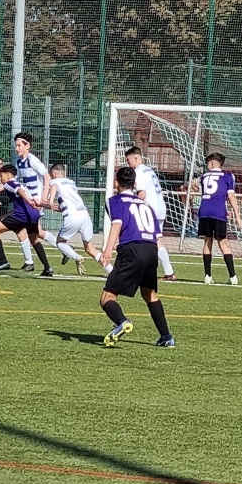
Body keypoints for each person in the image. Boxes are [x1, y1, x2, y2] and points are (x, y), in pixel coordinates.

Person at [99, 166, 175, 348]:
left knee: (107, 297)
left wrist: (108, 250)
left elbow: (117, 224)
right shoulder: (146, 205)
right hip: (151, 249)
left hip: (132, 249)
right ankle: (166, 336)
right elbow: (158, 237)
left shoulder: (114, 201)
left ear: (116, 183)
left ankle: (122, 322)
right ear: (134, 184)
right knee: (149, 293)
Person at [43, 163, 111, 276]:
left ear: (53, 174)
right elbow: (67, 204)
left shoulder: (54, 181)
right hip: (84, 215)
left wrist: (50, 201)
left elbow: (54, 186)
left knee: (60, 242)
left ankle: (76, 256)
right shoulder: (71, 183)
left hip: (72, 216)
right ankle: (111, 270)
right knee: (90, 248)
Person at [0, 163, 53, 276]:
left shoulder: (9, 183)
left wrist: (29, 201)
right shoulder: (19, 184)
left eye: (1, 175)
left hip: (22, 215)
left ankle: (2, 261)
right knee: (34, 239)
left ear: (8, 175)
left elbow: (19, 191)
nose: (0, 178)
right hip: (33, 214)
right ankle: (47, 268)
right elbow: (17, 208)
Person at [125, 146, 176, 281]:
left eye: (128, 160)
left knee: (147, 241)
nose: (128, 163)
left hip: (150, 210)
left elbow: (142, 194)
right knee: (154, 240)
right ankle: (164, 271)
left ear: (136, 158)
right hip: (159, 208)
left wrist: (131, 206)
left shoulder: (139, 172)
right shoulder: (150, 170)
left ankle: (166, 271)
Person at [193, 152, 242, 285]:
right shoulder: (228, 176)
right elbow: (230, 196)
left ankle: (207, 276)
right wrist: (238, 215)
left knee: (207, 242)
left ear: (212, 164)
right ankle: (233, 277)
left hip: (204, 212)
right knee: (223, 243)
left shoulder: (204, 176)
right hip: (219, 212)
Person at [13, 132, 54, 272]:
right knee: (36, 233)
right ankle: (64, 249)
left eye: (19, 145)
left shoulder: (32, 160)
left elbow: (47, 176)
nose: (16, 148)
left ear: (27, 146)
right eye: (16, 145)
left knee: (24, 230)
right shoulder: (19, 162)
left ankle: (30, 262)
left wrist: (44, 197)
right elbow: (17, 181)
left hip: (35, 202)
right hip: (28, 201)